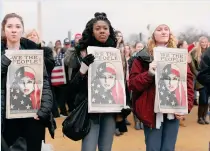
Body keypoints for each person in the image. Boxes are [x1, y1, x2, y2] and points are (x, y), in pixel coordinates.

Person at [68, 12, 130, 151]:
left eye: (105, 28)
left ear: (109, 31)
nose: (102, 31)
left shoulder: (116, 53)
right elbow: (72, 87)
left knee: (106, 147)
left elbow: (121, 82)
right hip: (90, 108)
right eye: (98, 28)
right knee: (89, 147)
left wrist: (124, 103)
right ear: (91, 31)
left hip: (110, 108)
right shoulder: (81, 53)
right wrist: (83, 68)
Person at [129, 23, 194, 151]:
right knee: (153, 148)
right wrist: (148, 74)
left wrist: (187, 106)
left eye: (166, 29)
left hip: (173, 110)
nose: (164, 32)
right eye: (159, 29)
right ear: (153, 34)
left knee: (169, 148)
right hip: (151, 111)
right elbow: (132, 84)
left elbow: (188, 82)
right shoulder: (142, 57)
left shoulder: (178, 55)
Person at [1, 13, 55, 151]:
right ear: (3, 29)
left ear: (22, 30)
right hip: (7, 118)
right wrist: (6, 59)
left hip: (33, 115)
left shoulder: (33, 52)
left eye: (18, 26)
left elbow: (44, 83)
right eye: (10, 26)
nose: (14, 30)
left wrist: (44, 110)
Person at [189, 36, 209, 124]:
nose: (204, 44)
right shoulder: (194, 52)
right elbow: (192, 66)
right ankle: (200, 118)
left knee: (207, 99)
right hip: (200, 78)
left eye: (205, 42)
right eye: (202, 42)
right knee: (203, 99)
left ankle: (204, 117)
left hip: (208, 78)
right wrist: (199, 75)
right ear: (199, 43)